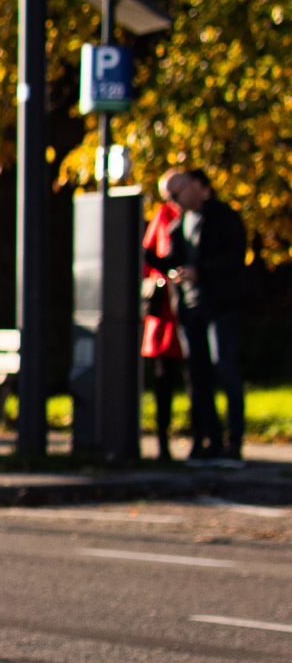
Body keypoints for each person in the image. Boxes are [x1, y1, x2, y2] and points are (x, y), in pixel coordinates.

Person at [160, 167, 247, 464]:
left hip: (220, 306)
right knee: (197, 377)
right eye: (168, 197)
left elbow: (235, 258)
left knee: (225, 368)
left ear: (195, 185)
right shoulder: (177, 226)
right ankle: (211, 440)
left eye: (175, 193)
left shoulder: (223, 216)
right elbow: (170, 260)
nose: (173, 201)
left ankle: (234, 441)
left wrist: (202, 272)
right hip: (190, 309)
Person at [141, 192, 189, 461]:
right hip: (165, 312)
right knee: (164, 379)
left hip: (189, 307)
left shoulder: (196, 217)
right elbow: (148, 258)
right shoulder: (163, 216)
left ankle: (202, 441)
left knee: (196, 378)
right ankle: (162, 442)